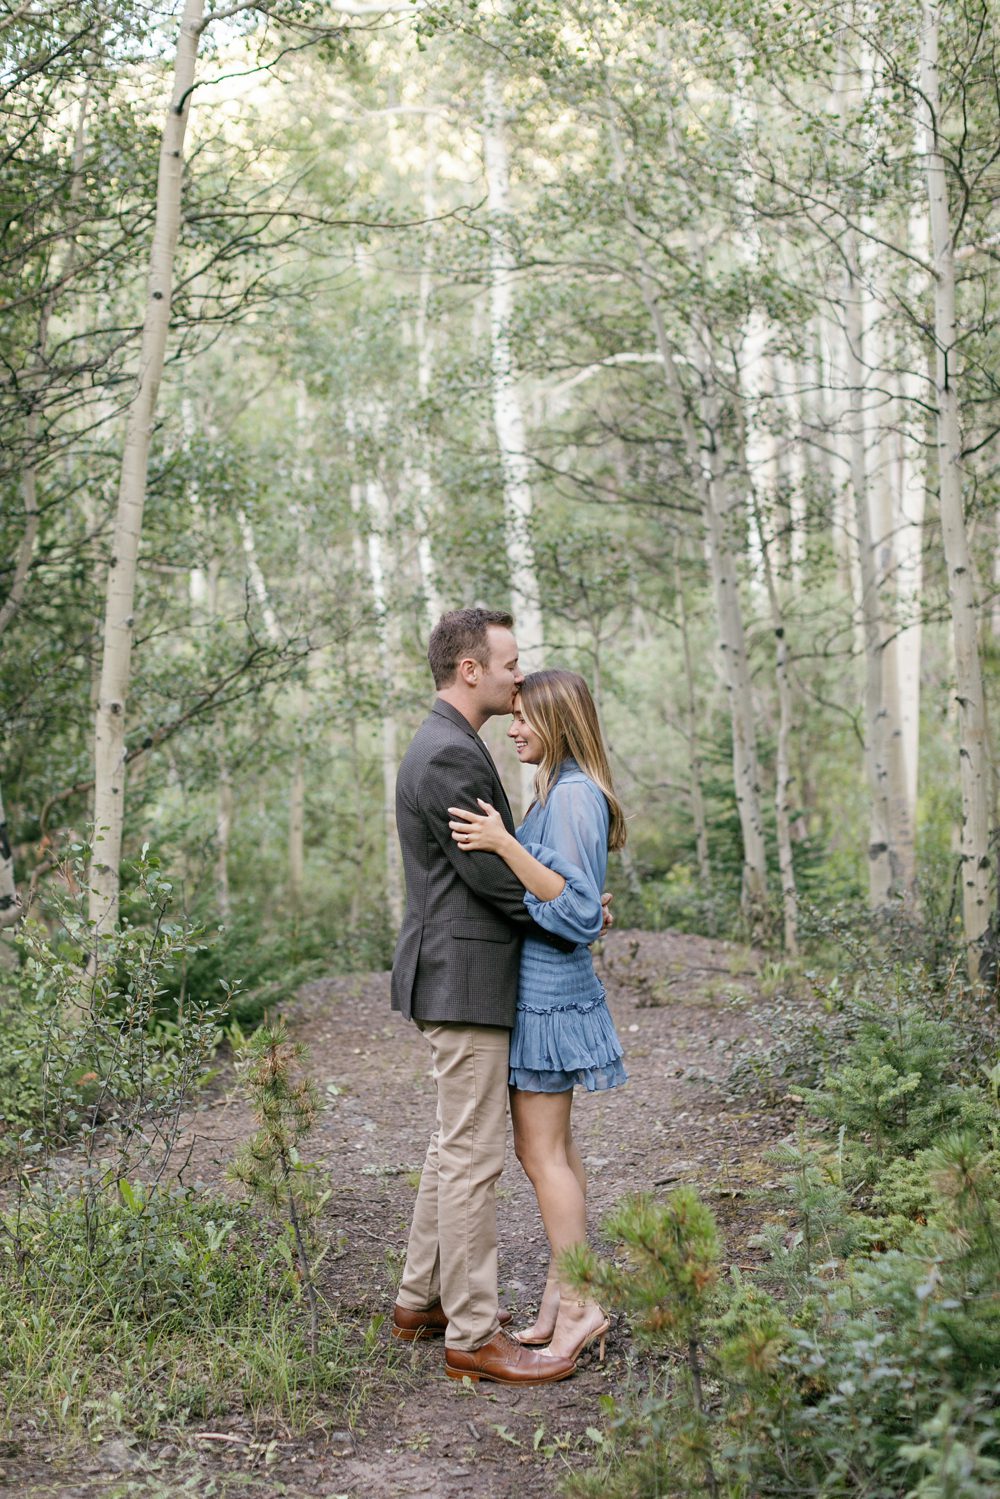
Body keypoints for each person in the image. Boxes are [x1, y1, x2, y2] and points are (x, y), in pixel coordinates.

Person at [389, 609, 580, 1386]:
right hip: (464, 977)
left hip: (456, 973)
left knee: (452, 1142)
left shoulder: (448, 744)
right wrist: (566, 905)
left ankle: (420, 1298)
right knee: (472, 1156)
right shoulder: (448, 758)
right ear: (470, 669)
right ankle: (472, 1332)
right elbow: (492, 879)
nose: (518, 673)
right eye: (508, 661)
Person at [448, 668, 627, 1365]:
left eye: (524, 717)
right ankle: (564, 1291)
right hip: (544, 989)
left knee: (540, 1152)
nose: (513, 727)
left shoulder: (576, 794)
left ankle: (582, 1304)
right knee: (557, 1151)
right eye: (513, 714)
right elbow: (579, 897)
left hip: (551, 996)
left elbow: (577, 912)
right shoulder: (561, 790)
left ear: (559, 721)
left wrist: (503, 842)